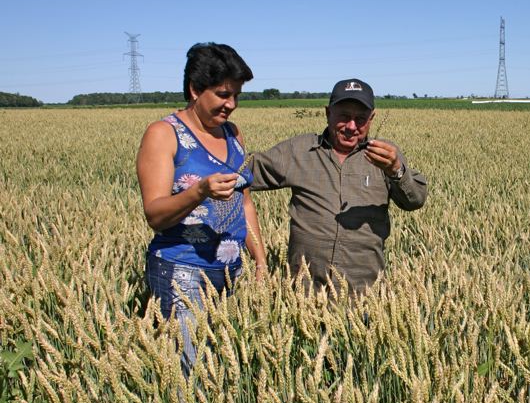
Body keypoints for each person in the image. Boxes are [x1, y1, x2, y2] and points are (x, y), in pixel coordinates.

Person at [136, 42, 266, 372]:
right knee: (187, 374)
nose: (231, 104)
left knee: (222, 369)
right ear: (195, 89)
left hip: (230, 271)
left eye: (237, 95)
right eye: (223, 94)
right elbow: (155, 214)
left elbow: (244, 203)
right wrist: (200, 191)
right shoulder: (164, 134)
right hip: (183, 271)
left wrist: (260, 261)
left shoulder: (233, 134)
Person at [251, 78, 427, 296]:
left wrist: (396, 170)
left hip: (364, 296)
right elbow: (244, 172)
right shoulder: (299, 151)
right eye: (344, 116)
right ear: (328, 113)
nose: (352, 127)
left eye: (360, 119)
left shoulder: (385, 156)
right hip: (304, 295)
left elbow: (415, 200)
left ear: (372, 119)